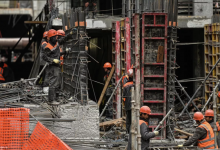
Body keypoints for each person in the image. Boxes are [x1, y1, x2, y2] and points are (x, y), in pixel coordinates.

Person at [42, 29, 61, 104]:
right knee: (53, 82)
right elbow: (44, 57)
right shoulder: (48, 47)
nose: (56, 38)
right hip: (52, 66)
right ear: (51, 38)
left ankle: (56, 98)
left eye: (56, 36)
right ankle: (51, 100)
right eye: (54, 36)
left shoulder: (56, 44)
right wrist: (53, 60)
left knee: (57, 82)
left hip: (56, 66)